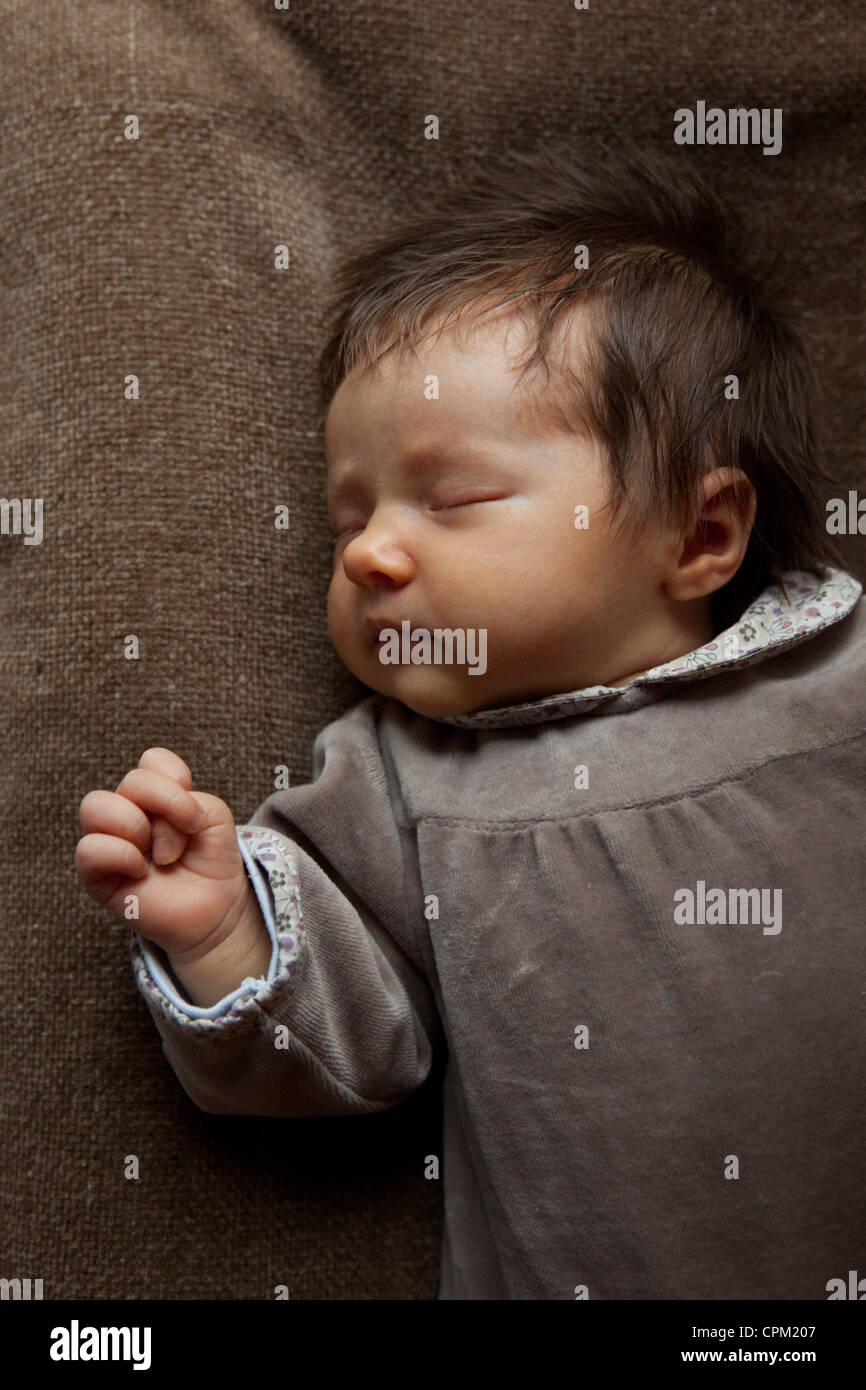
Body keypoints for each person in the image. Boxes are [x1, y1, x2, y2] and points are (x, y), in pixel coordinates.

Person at [75, 144, 866, 1299]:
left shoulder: (838, 688)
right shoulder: (393, 782)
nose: (366, 551)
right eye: (350, 513)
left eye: (450, 500)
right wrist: (218, 936)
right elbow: (349, 1049)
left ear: (697, 538)